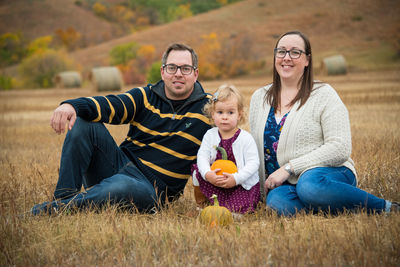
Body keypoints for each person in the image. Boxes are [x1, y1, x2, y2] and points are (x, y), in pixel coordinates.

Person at [31, 43, 212, 215]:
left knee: (124, 186)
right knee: (84, 124)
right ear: (163, 72)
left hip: (150, 189)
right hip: (119, 165)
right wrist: (72, 106)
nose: (178, 74)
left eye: (185, 68)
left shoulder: (209, 110)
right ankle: (62, 200)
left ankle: (50, 210)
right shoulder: (145, 96)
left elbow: (231, 139)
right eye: (172, 67)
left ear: (195, 74)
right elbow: (111, 104)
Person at [249, 31, 400, 216]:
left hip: (327, 174)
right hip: (287, 185)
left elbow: (340, 147)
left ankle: (386, 208)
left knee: (309, 187)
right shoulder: (259, 98)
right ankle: (336, 205)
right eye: (281, 51)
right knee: (278, 203)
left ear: (307, 60)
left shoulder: (324, 94)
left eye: (295, 52)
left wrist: (290, 168)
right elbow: (254, 149)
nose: (286, 57)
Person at [191, 85, 260, 214]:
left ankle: (232, 210)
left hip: (239, 184)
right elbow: (202, 157)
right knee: (197, 171)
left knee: (237, 209)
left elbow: (253, 163)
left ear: (239, 115)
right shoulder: (210, 135)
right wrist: (208, 174)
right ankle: (202, 205)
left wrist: (236, 178)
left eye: (230, 112)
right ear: (212, 114)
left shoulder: (245, 138)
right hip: (215, 180)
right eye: (220, 112)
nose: (224, 117)